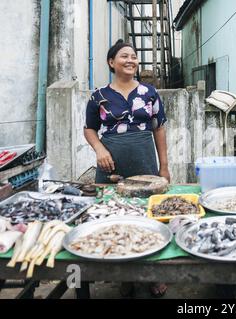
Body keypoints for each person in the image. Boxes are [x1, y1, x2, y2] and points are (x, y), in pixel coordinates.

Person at [84, 39, 169, 297]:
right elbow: (89, 129)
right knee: (113, 216)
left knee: (148, 217)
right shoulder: (99, 96)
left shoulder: (149, 93)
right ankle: (123, 274)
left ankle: (152, 274)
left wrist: (164, 166)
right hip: (112, 163)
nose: (130, 60)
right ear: (112, 62)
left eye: (133, 56)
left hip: (144, 161)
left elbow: (160, 128)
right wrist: (100, 150)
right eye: (124, 56)